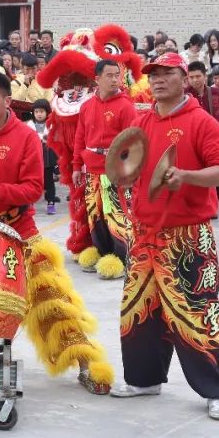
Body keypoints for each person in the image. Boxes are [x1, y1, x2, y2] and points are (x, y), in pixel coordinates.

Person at [0, 69, 115, 394]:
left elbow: (34, 188)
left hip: (20, 231)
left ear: (7, 101)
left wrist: (1, 192)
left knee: (52, 299)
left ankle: (84, 361)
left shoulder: (26, 137)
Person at [110, 52, 219, 421]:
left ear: (184, 77)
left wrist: (188, 177)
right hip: (145, 232)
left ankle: (217, 391)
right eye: (154, 75)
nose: (158, 80)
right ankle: (144, 379)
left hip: (187, 235)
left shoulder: (202, 122)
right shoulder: (142, 120)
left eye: (167, 74)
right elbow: (128, 164)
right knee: (139, 310)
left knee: (197, 313)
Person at [71, 60, 136, 280]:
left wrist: (127, 171)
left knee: (117, 215)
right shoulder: (87, 106)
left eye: (117, 75)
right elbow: (80, 138)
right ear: (97, 79)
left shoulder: (125, 106)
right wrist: (76, 166)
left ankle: (122, 258)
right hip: (92, 171)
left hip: (115, 172)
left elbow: (133, 142)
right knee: (95, 214)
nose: (114, 79)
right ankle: (102, 253)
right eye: (109, 75)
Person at [27, 99, 59, 214]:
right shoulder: (29, 126)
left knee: (49, 181)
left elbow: (56, 143)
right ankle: (29, 202)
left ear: (47, 112)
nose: (39, 114)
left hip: (47, 159)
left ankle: (51, 202)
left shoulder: (51, 125)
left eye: (41, 111)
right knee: (31, 181)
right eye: (36, 112)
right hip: (33, 158)